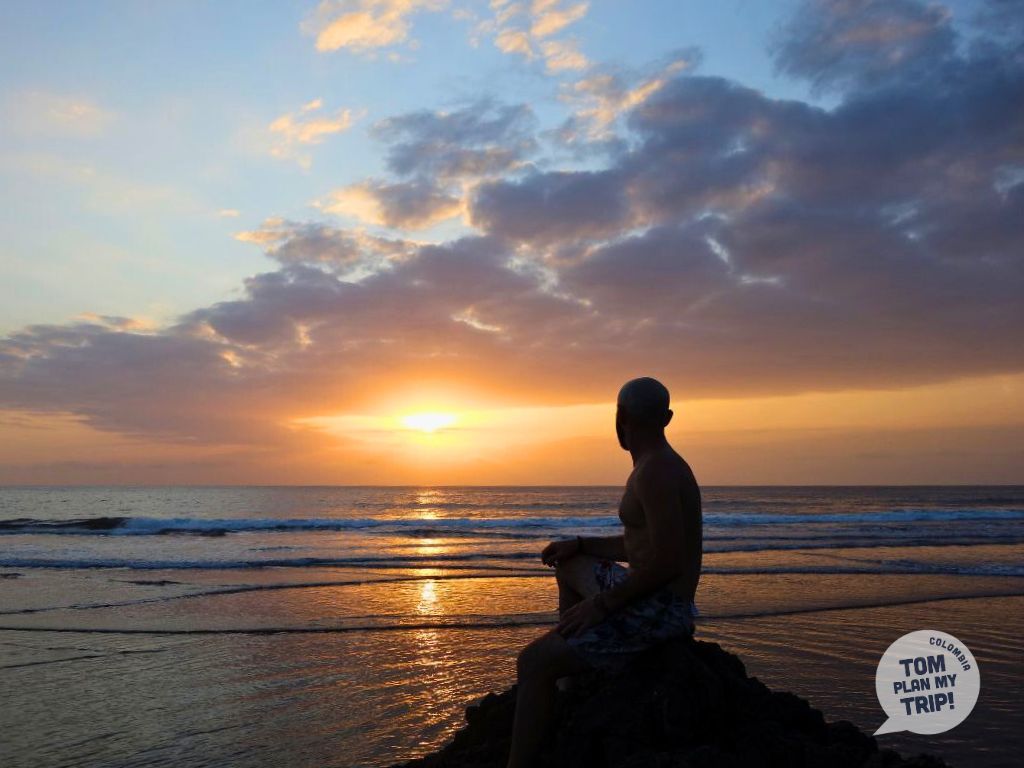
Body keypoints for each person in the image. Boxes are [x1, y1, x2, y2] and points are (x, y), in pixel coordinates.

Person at [505, 376, 703, 768]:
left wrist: (603, 606)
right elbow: (638, 546)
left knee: (531, 662)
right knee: (570, 565)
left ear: (620, 417)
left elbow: (669, 562)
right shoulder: (655, 464)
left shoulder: (656, 472)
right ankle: (571, 680)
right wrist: (579, 544)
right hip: (648, 593)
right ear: (667, 417)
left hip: (661, 610)